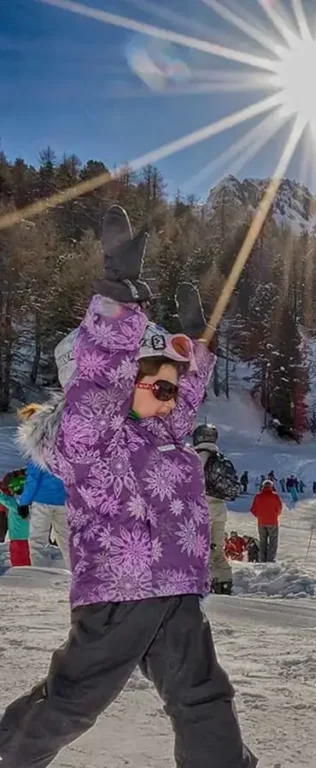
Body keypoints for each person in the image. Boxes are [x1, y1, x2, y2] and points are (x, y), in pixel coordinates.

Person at [0, 206, 255, 767]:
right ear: (124, 381)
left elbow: (180, 393)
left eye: (172, 389)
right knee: (72, 704)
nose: (170, 397)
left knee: (203, 697)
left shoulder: (161, 429)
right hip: (120, 591)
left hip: (176, 586)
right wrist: (119, 298)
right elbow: (99, 375)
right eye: (154, 385)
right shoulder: (91, 435)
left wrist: (189, 345)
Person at [15, 404, 70, 568]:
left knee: (38, 540)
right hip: (64, 501)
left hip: (42, 502)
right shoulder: (65, 444)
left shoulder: (39, 446)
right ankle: (76, 573)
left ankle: (41, 573)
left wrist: (24, 502)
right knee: (67, 540)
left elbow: (33, 478)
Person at [193, 424, 239, 595]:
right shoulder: (221, 459)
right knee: (217, 549)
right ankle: (224, 582)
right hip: (220, 508)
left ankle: (202, 585)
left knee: (199, 549)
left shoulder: (195, 457)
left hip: (201, 507)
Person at [0, 470, 29, 567]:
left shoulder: (13, 503)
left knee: (18, 562)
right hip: (29, 537)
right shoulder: (30, 502)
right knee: (27, 559)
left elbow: (1, 497)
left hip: (16, 539)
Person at [250, 479, 283, 562]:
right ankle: (270, 559)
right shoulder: (275, 496)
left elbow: (253, 509)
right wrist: (275, 515)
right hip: (272, 521)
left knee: (262, 541)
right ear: (271, 486)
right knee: (273, 541)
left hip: (261, 522)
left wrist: (259, 516)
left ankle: (262, 559)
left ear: (263, 486)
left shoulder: (258, 496)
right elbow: (279, 508)